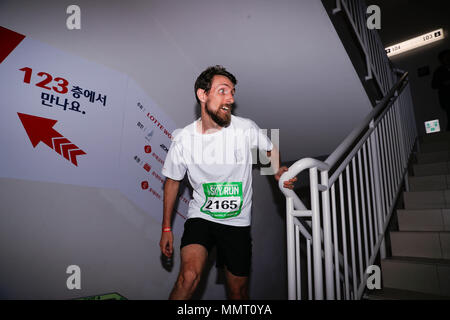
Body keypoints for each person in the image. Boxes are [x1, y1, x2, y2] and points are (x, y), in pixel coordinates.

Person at [159, 65, 296, 300]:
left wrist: (275, 171)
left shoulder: (245, 128)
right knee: (188, 277)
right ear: (202, 95)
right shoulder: (183, 139)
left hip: (237, 223)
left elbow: (270, 148)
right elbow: (172, 182)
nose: (230, 98)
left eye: (232, 92)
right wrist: (166, 228)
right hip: (201, 217)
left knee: (238, 293)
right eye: (223, 91)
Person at [432, 49, 450, 131]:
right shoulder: (439, 71)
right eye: (446, 57)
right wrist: (443, 83)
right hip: (446, 97)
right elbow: (433, 85)